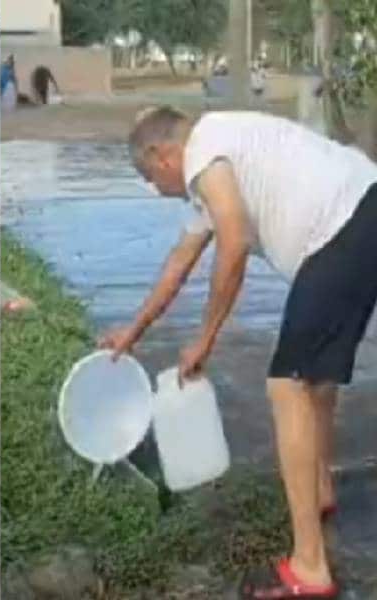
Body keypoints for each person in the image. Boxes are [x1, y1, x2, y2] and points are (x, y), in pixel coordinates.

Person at [101, 106, 377, 598]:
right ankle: (319, 491)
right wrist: (133, 332)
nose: (156, 190)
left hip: (344, 227)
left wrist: (206, 338)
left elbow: (233, 242)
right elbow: (180, 261)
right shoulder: (216, 155)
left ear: (161, 156)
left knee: (286, 383)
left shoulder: (206, 154)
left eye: (149, 179)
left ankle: (310, 567)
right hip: (361, 210)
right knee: (313, 378)